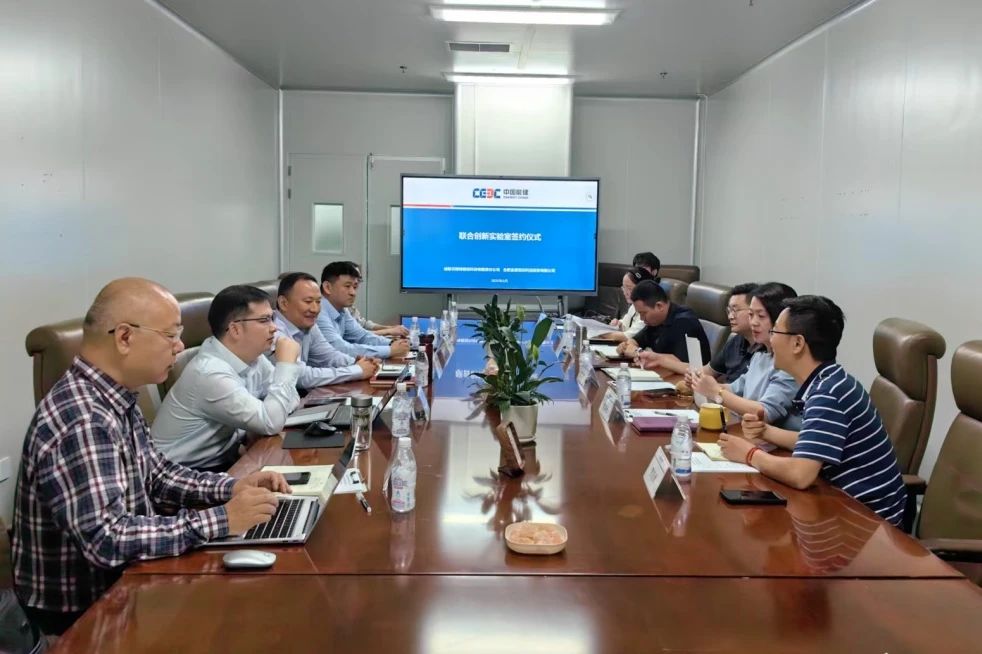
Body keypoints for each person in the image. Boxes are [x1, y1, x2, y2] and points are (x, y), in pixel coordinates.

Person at [11, 278, 289, 635]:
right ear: (125, 337)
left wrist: (232, 488)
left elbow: (158, 475)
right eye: (171, 336)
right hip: (84, 614)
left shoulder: (115, 396)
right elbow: (106, 539)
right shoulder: (83, 418)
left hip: (126, 580)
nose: (179, 347)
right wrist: (222, 520)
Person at [719, 295, 907, 526]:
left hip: (865, 523)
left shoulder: (828, 393)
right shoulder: (828, 380)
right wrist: (765, 432)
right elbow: (812, 441)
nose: (770, 339)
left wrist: (749, 454)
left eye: (775, 331)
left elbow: (800, 474)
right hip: (843, 505)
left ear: (798, 344)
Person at [151, 285, 302, 471]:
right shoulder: (210, 373)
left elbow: (291, 399)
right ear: (235, 329)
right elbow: (271, 422)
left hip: (224, 460)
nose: (274, 328)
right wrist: (285, 365)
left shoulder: (254, 357)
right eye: (264, 320)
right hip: (182, 474)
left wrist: (265, 418)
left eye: (272, 318)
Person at [688, 282, 800, 429]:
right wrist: (702, 384)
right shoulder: (759, 355)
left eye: (761, 316)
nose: (754, 322)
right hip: (747, 432)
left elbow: (765, 412)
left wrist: (716, 391)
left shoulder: (790, 364)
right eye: (751, 315)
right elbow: (736, 388)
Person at [273, 272, 379, 388]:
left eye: (318, 302)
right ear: (283, 303)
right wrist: (356, 370)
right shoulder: (272, 332)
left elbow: (328, 355)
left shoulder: (308, 325)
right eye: (308, 301)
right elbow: (301, 376)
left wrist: (356, 362)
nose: (315, 309)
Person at [317, 261, 410, 360]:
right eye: (347, 286)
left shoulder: (342, 310)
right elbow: (340, 349)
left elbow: (362, 336)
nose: (353, 293)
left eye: (355, 287)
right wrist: (390, 350)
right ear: (327, 287)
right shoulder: (318, 312)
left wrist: (393, 343)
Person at [615, 280, 711, 374]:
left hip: (689, 379)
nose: (641, 318)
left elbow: (682, 364)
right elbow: (635, 340)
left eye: (643, 313)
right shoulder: (656, 320)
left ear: (659, 306)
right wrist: (626, 347)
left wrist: (639, 352)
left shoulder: (684, 322)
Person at [704, 282, 757, 382]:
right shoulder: (736, 340)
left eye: (735, 310)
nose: (730, 316)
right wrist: (694, 376)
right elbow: (707, 371)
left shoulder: (765, 352)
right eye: (729, 311)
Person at [346, 262, 409, 337]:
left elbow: (363, 324)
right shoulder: (340, 309)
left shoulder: (348, 306)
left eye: (358, 280)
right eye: (347, 285)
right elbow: (354, 336)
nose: (353, 292)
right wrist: (388, 331)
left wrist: (389, 328)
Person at [601, 267, 656, 343]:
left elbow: (627, 336)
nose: (625, 292)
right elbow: (625, 324)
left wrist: (599, 333)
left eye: (630, 288)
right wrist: (619, 324)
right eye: (624, 287)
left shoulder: (649, 310)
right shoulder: (633, 306)